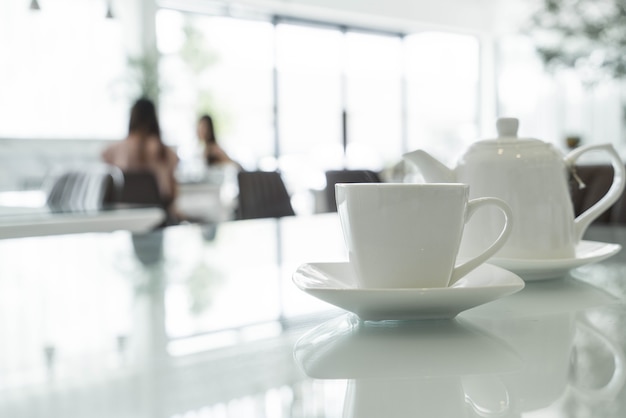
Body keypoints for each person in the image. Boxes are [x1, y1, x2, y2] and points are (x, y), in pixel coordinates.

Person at [102, 98, 179, 218]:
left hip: (124, 216)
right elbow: (171, 193)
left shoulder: (115, 149)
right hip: (159, 217)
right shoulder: (166, 152)